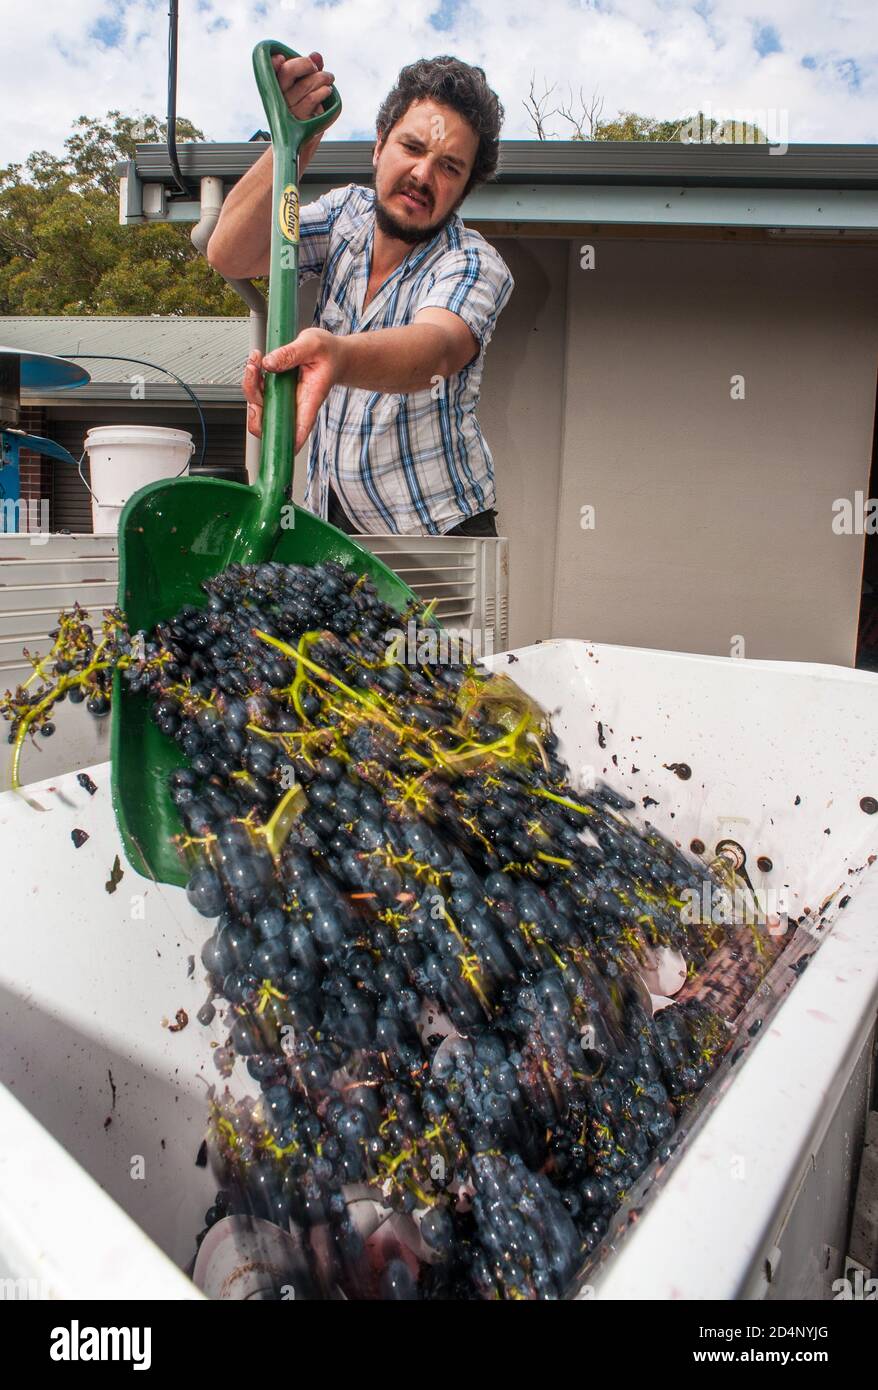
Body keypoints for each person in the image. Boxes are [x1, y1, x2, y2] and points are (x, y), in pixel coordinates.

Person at [207, 51, 514, 537]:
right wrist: (294, 144)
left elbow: (436, 349)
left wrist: (337, 356)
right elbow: (231, 253)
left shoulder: (474, 263)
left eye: (449, 167)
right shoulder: (344, 215)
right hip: (336, 525)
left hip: (440, 533)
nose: (422, 175)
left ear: (463, 190)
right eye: (412, 147)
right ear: (378, 147)